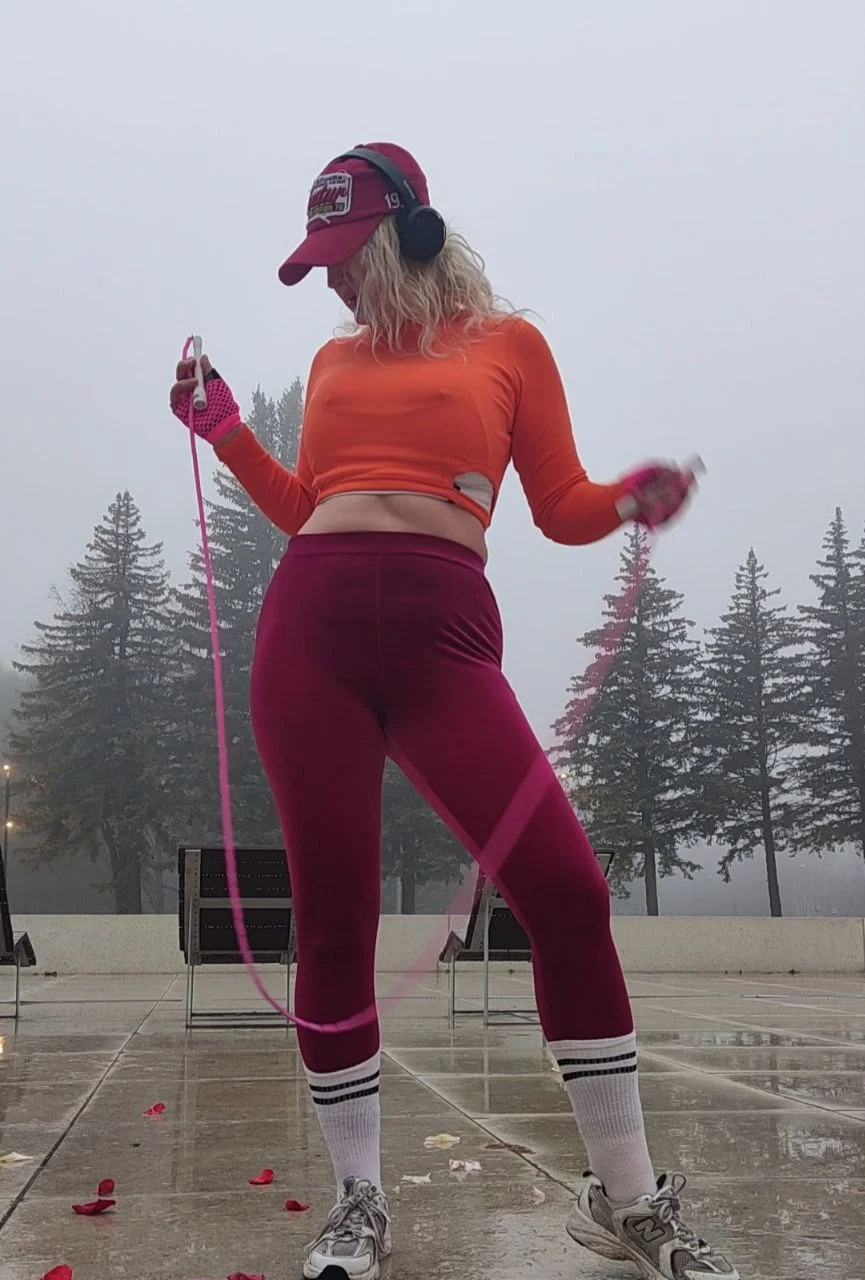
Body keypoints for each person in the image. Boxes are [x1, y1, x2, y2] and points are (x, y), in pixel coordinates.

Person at [170, 143, 737, 1280]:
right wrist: (223, 427)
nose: (332, 281)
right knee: (334, 921)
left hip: (445, 641)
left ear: (410, 236)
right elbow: (309, 505)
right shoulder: (333, 360)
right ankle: (357, 1201)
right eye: (318, 264)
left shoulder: (508, 345)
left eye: (343, 255)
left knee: (567, 894)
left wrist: (629, 499)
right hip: (311, 634)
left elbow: (561, 504)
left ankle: (627, 1200)